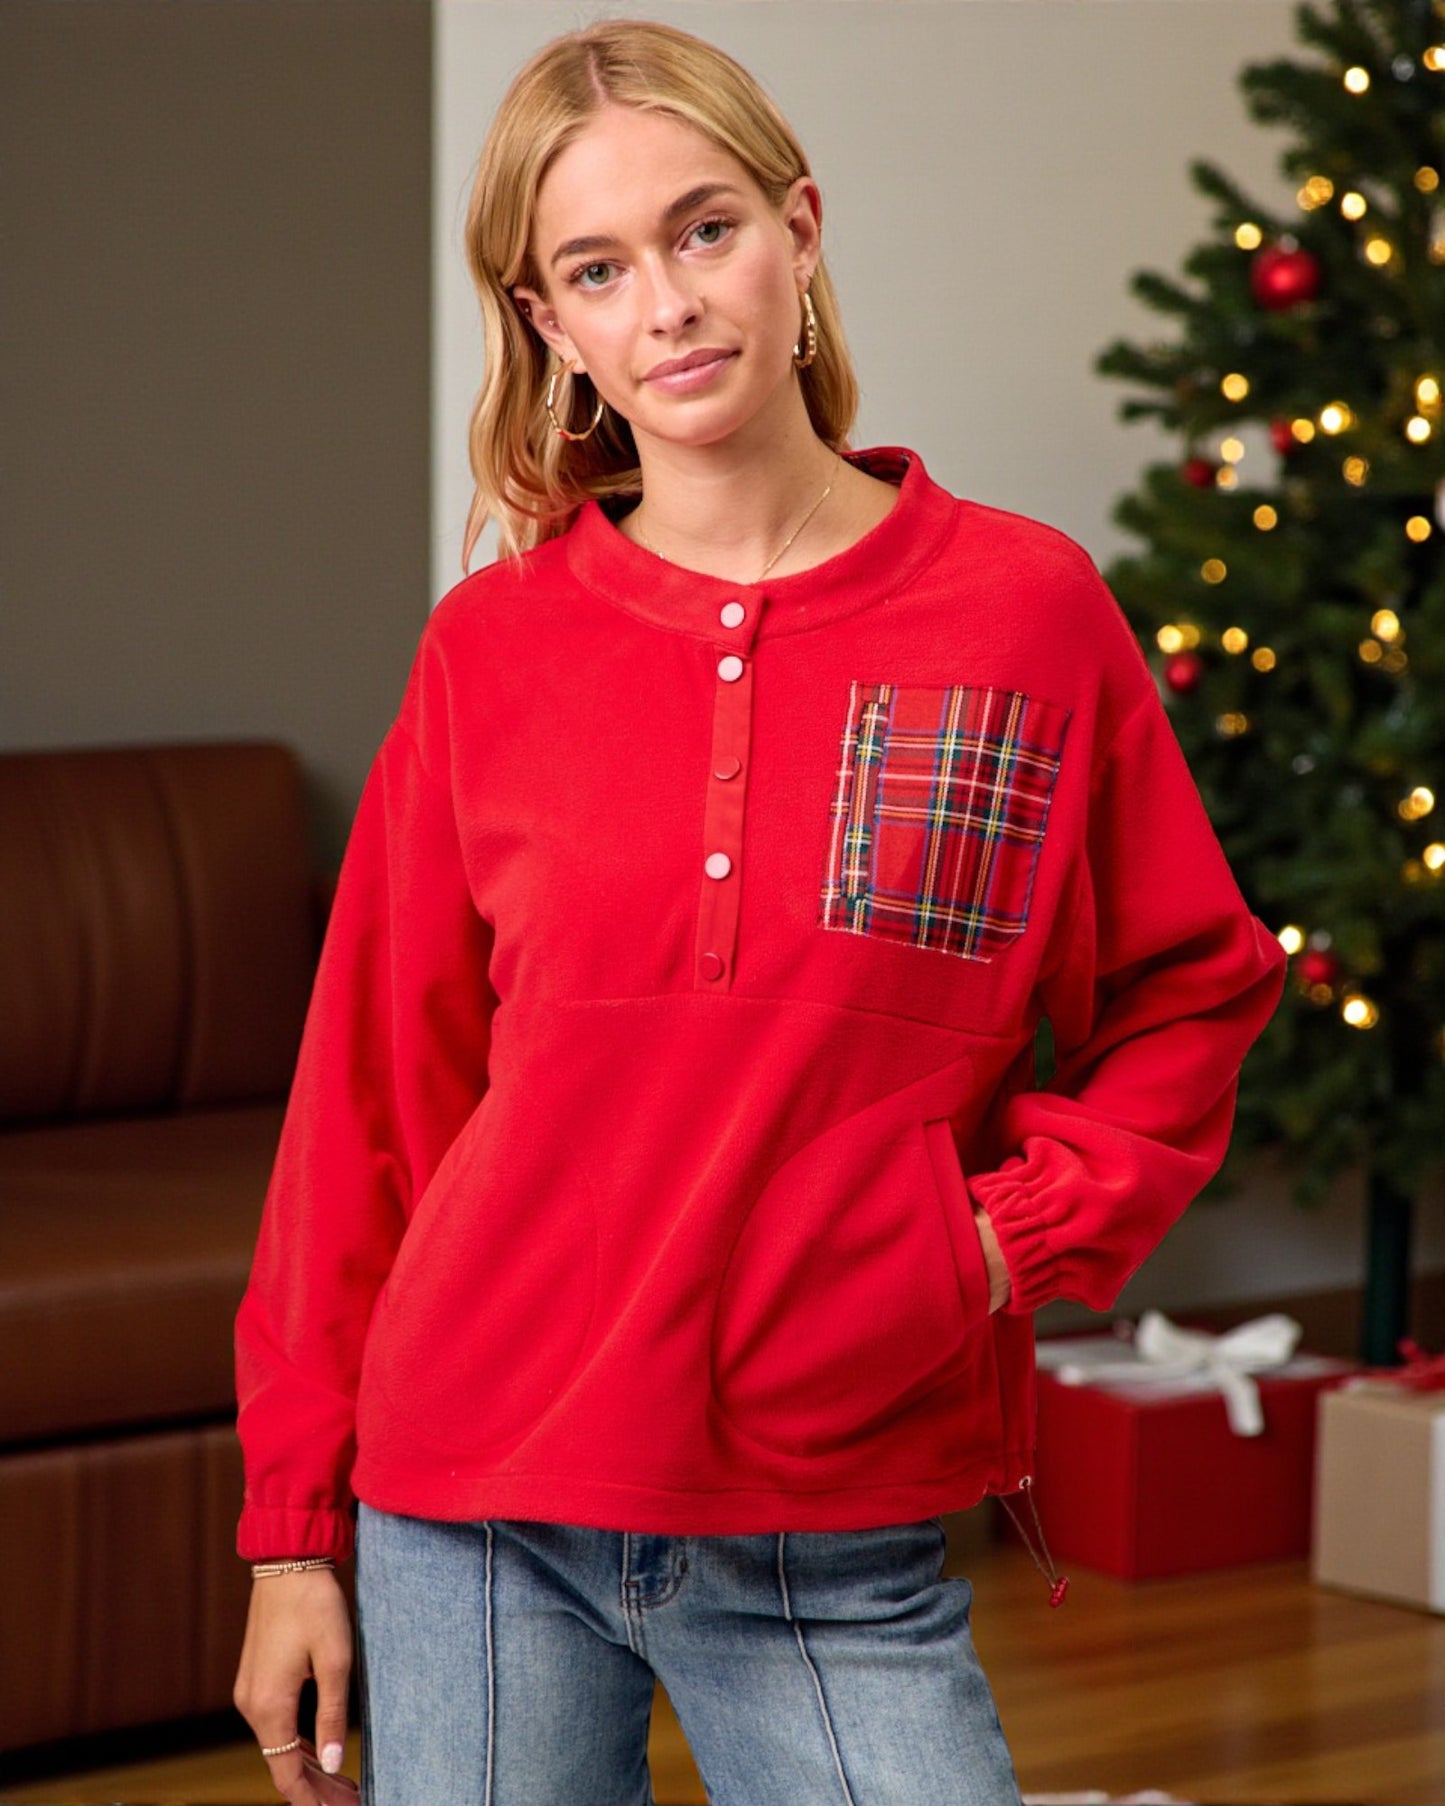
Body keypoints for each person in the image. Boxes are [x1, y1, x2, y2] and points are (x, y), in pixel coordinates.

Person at [231, 18, 1288, 1806]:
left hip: (831, 1508)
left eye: (703, 228)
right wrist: (287, 1536)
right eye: (598, 266)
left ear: (797, 231)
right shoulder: (489, 651)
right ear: (550, 325)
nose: (669, 301)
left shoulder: (1025, 614)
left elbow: (1192, 991)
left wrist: (992, 1242)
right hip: (472, 1501)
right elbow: (367, 1110)